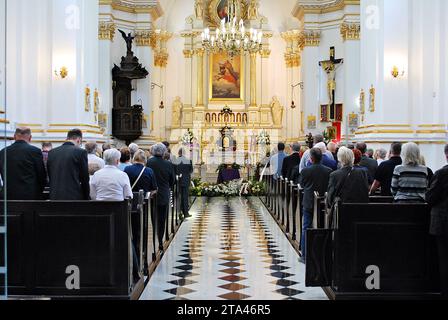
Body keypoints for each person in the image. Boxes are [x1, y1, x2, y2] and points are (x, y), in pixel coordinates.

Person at [299, 148, 332, 263]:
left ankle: (304, 255)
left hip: (308, 202)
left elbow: (302, 184)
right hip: (323, 202)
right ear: (321, 158)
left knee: (306, 227)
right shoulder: (328, 171)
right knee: (323, 226)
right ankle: (322, 254)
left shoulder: (305, 171)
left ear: (311, 159)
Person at [426, 145, 448, 299]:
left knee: (444, 259)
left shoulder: (442, 174)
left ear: (446, 155)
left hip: (443, 223)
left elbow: (430, 198)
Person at [0, 127, 46, 200]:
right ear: (30, 137)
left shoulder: (3, 152)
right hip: (30, 196)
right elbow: (41, 175)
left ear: (14, 136)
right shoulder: (35, 151)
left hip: (8, 196)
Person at [147, 143, 176, 253]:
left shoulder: (149, 162)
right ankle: (160, 239)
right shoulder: (168, 164)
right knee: (162, 217)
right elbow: (172, 181)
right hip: (164, 194)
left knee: (154, 216)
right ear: (164, 151)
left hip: (153, 194)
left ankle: (155, 236)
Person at [47, 129, 90, 200]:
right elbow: (84, 178)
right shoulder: (80, 152)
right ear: (79, 140)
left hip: (54, 196)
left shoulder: (52, 152)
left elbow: (50, 174)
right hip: (73, 196)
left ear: (67, 138)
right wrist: (86, 197)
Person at [174, 148, 194, 219]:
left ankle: (179, 213)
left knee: (178, 197)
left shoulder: (175, 161)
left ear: (179, 153)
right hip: (185, 180)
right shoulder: (189, 161)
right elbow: (191, 170)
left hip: (178, 180)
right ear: (185, 153)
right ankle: (185, 213)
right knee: (185, 197)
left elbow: (174, 171)